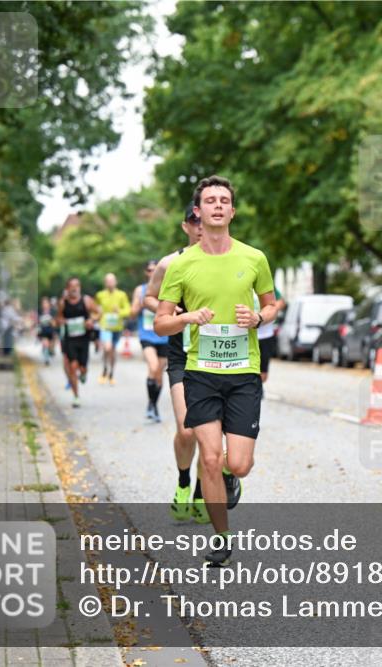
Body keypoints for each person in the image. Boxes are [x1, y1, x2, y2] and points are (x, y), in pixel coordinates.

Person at [156, 176, 277, 568]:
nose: (218, 206)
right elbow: (160, 323)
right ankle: (222, 537)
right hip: (200, 373)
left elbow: (273, 306)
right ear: (198, 211)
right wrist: (186, 317)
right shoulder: (181, 265)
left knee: (237, 462)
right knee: (208, 457)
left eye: (225, 200)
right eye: (211, 200)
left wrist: (258, 317)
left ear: (232, 211)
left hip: (243, 372)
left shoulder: (254, 258)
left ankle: (231, 474)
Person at [143, 203, 213, 524]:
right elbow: (149, 296)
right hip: (182, 354)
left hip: (215, 355)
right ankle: (183, 481)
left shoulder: (226, 261)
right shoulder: (172, 263)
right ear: (185, 226)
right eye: (193, 221)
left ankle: (201, 491)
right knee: (187, 431)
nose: (199, 225)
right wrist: (171, 313)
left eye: (204, 220)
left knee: (206, 434)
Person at [132, 260, 170, 422]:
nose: (152, 272)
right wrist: (142, 304)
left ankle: (153, 405)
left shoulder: (167, 288)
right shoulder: (140, 290)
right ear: (145, 272)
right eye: (149, 270)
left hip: (164, 337)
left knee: (159, 374)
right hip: (147, 336)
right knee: (153, 367)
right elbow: (132, 313)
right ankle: (151, 405)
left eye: (155, 270)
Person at [58, 278, 100, 408]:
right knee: (72, 367)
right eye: (71, 286)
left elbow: (98, 313)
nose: (74, 289)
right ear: (67, 288)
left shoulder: (86, 301)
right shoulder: (63, 303)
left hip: (84, 339)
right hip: (70, 339)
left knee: (82, 368)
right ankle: (76, 396)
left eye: (76, 286)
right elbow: (59, 317)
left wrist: (91, 321)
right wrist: (61, 321)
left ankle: (84, 373)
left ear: (79, 287)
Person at [95, 273, 131, 385]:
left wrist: (119, 312)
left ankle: (111, 373)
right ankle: (105, 368)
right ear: (105, 283)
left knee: (112, 351)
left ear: (116, 282)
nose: (110, 283)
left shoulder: (122, 295)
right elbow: (94, 310)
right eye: (108, 281)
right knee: (107, 347)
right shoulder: (100, 295)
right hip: (105, 326)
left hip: (117, 327)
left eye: (112, 281)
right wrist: (97, 313)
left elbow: (128, 310)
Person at [255, 287, 285, 386]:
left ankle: (257, 389)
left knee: (263, 373)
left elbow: (281, 302)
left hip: (265, 336)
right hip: (246, 336)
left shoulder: (265, 283)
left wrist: (270, 310)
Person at [37, 296, 58, 365]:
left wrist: (51, 321)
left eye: (46, 303)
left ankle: (48, 352)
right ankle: (46, 359)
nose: (44, 305)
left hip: (51, 331)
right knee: (45, 344)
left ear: (49, 304)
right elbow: (37, 322)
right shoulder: (40, 312)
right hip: (43, 331)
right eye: (43, 303)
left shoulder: (53, 312)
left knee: (50, 346)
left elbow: (55, 323)